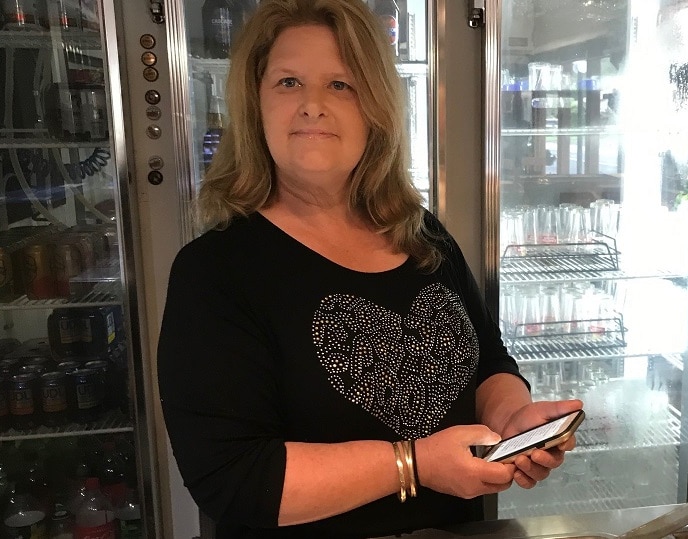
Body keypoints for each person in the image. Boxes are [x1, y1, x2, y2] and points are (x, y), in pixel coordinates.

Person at [156, 0, 582, 537]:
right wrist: (415, 464)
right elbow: (233, 479)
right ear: (254, 104)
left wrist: (512, 418)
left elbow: (487, 364)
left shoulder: (420, 232)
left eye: (341, 84)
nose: (313, 105)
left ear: (375, 106)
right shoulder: (213, 272)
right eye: (289, 82)